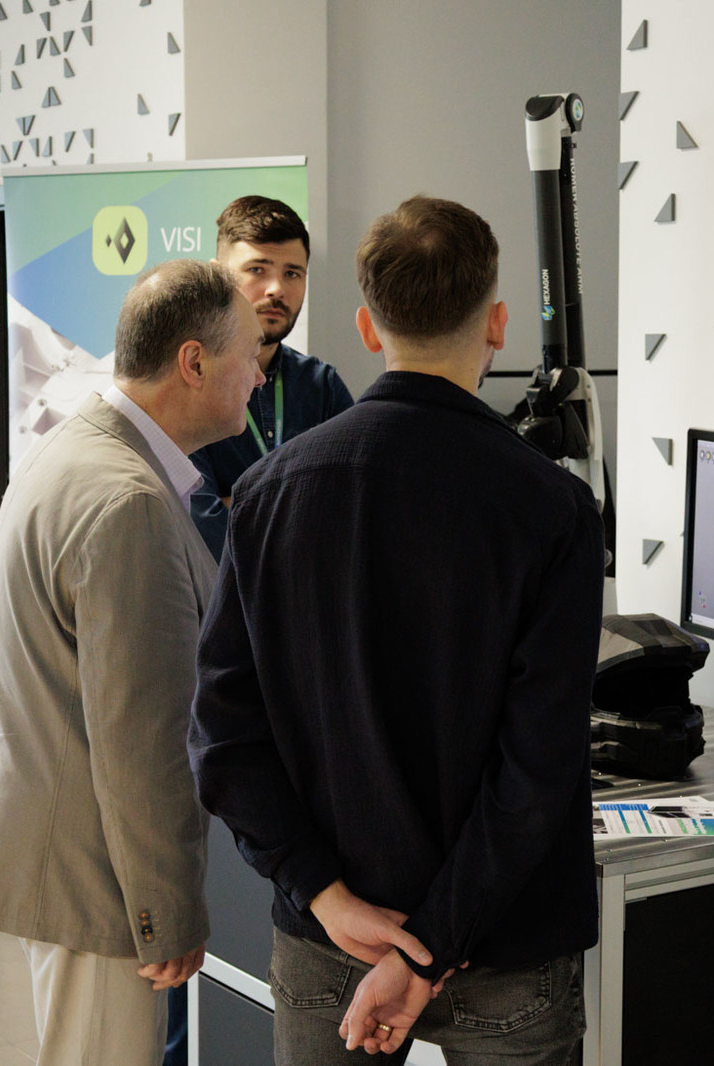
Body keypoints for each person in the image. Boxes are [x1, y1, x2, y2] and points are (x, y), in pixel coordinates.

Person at [190, 196, 605, 1065]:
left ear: (368, 327)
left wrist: (324, 894)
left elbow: (224, 734)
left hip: (329, 940)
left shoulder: (267, 493)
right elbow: (539, 767)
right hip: (504, 948)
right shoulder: (555, 507)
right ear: (497, 324)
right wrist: (431, 945)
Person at [0, 258, 265, 1066]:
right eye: (249, 354)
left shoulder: (80, 452)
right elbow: (141, 738)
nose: (261, 374)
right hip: (96, 876)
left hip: (61, 847)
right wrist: (166, 911)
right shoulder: (128, 501)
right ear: (193, 362)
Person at [188, 195, 354, 559]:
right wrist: (301, 510)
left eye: (292, 273)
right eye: (257, 269)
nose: (277, 288)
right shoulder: (189, 384)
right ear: (217, 277)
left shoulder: (322, 387)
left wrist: (237, 503)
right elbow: (201, 529)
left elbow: (350, 517)